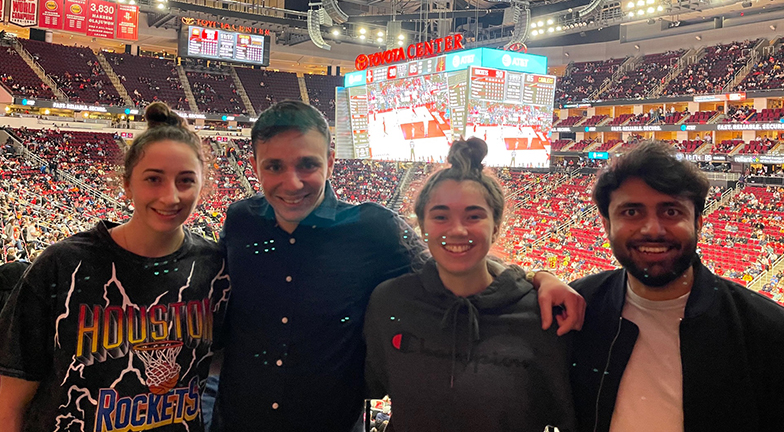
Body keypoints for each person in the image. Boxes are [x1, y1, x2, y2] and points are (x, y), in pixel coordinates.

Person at [211, 100, 584, 432]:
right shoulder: (240, 219)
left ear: (330, 160)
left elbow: (450, 260)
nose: (292, 182)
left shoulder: (375, 228)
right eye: (274, 166)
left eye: (307, 164)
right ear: (255, 165)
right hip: (237, 420)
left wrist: (537, 277)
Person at [0, 103, 230, 432]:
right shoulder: (62, 265)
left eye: (185, 180)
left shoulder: (215, 269)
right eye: (154, 179)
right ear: (127, 183)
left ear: (202, 186)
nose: (170, 197)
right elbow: (10, 404)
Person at [569, 140, 784, 432]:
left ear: (699, 222)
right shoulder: (577, 308)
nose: (652, 229)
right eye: (631, 212)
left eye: (671, 212)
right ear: (606, 224)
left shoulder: (770, 331)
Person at [364, 138, 576, 431]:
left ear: (497, 226)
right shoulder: (390, 301)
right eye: (440, 216)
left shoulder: (542, 316)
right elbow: (374, 382)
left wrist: (541, 276)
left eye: (474, 216)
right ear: (423, 228)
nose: (458, 230)